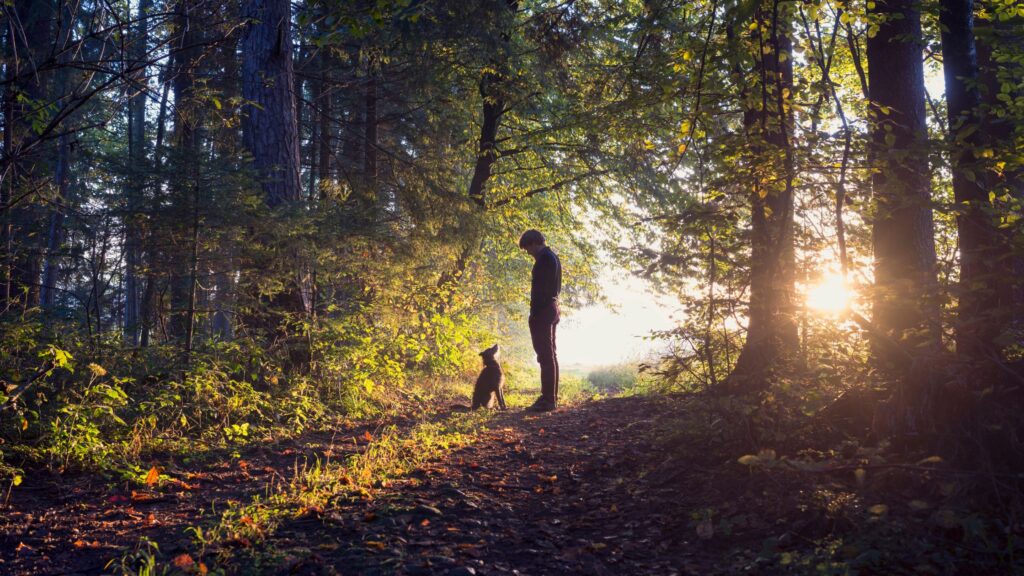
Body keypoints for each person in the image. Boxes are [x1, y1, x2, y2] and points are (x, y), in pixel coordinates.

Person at [519, 229, 561, 412]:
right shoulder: (553, 257)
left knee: (545, 355)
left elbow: (540, 290)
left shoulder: (544, 258)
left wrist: (534, 313)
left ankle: (548, 400)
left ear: (534, 243)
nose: (528, 252)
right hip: (552, 307)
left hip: (543, 310)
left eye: (527, 248)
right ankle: (550, 397)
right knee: (550, 354)